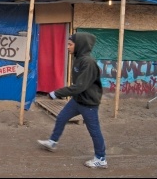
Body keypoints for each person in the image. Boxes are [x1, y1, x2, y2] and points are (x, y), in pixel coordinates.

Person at [37, 32, 107, 169]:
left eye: (70, 44)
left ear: (79, 45)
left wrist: (56, 93)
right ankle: (52, 142)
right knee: (62, 117)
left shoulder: (88, 63)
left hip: (89, 104)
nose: (67, 47)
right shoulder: (79, 59)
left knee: (94, 131)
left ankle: (101, 158)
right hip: (77, 100)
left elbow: (79, 86)